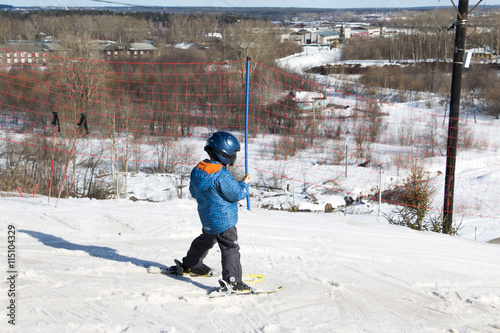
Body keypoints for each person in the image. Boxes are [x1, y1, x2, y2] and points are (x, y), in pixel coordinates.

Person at [173, 131, 251, 292]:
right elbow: (237, 194)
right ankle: (233, 281)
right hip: (225, 220)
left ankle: (191, 265)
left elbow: (194, 192)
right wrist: (244, 184)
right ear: (224, 154)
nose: (233, 158)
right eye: (232, 155)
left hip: (207, 217)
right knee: (230, 247)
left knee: (205, 241)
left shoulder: (198, 170)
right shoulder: (222, 175)